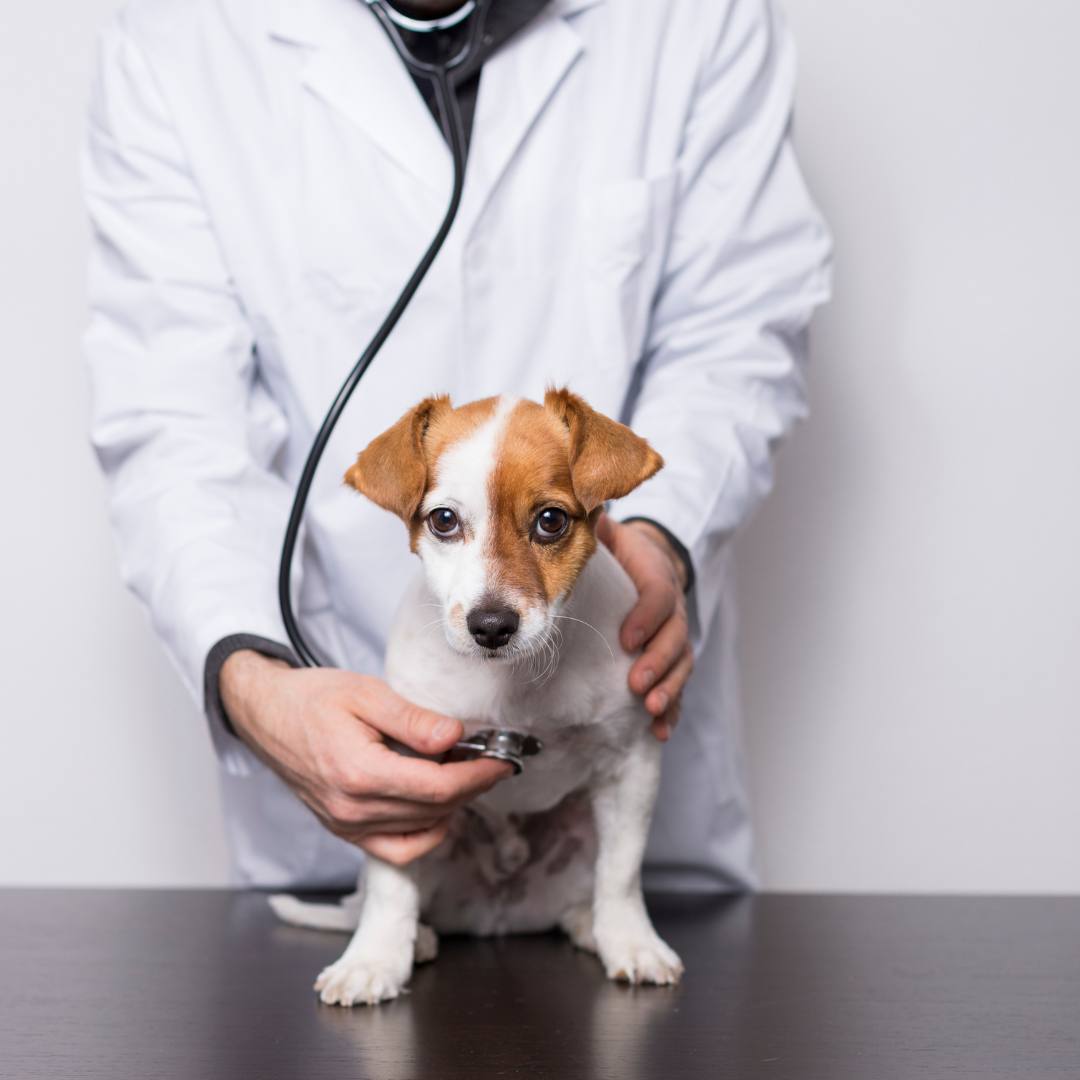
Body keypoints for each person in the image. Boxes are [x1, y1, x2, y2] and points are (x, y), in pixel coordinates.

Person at [84, 0, 832, 891]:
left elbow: (737, 333)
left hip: (611, 791)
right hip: (345, 778)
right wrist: (254, 683)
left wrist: (663, 538)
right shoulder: (179, 35)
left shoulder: (695, 17)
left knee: (647, 1015)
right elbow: (172, 417)